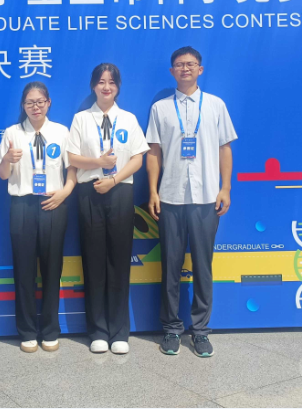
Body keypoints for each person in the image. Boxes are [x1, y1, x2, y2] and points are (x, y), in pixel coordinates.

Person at [145, 46, 237, 358]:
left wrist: (225, 188)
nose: (185, 69)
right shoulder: (160, 108)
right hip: (170, 197)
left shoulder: (215, 105)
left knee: (203, 266)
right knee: (170, 266)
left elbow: (225, 148)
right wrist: (153, 191)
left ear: (200, 69)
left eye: (191, 64)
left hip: (207, 198)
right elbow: (154, 152)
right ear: (172, 71)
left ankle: (200, 332)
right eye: (179, 65)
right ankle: (171, 329)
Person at [66, 63, 149, 355]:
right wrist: (98, 164)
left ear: (118, 87)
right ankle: (98, 331)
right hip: (89, 193)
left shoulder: (128, 119)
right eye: (101, 82)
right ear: (93, 86)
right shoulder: (81, 119)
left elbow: (138, 159)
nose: (106, 87)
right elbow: (72, 157)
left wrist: (113, 179)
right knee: (93, 262)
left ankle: (119, 331)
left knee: (119, 262)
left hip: (120, 191)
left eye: (111, 82)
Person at [0, 81, 77, 353]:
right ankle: (27, 331)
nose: (35, 107)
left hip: (53, 203)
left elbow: (72, 169)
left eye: (40, 101)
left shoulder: (61, 132)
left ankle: (51, 330)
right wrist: (7, 159)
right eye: (30, 102)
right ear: (23, 105)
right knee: (24, 271)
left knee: (53, 269)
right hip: (22, 205)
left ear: (48, 103)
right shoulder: (13, 133)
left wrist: (65, 193)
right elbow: (3, 175)